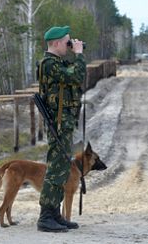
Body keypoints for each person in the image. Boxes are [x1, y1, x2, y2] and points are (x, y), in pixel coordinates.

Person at [36, 26, 86, 232]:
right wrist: (80, 55)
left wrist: (75, 54)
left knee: (62, 168)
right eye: (67, 42)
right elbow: (76, 76)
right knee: (56, 168)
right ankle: (46, 216)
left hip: (63, 122)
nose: (70, 45)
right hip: (58, 123)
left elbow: (72, 76)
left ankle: (55, 213)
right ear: (56, 43)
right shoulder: (49, 64)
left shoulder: (58, 63)